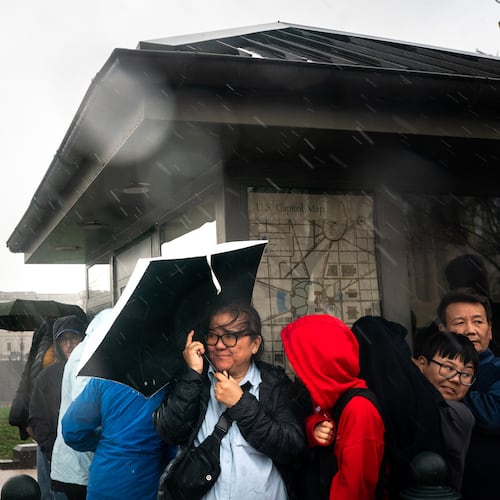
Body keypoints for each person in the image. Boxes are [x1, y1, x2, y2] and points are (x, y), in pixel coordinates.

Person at [154, 302, 305, 500]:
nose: (218, 344)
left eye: (230, 336)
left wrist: (241, 404)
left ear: (255, 344)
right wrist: (192, 375)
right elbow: (170, 431)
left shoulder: (273, 384)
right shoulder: (195, 380)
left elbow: (292, 447)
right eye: (212, 335)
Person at [280, 314, 385, 500]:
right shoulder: (326, 396)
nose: (290, 364)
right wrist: (312, 427)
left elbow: (355, 489)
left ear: (316, 361)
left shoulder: (359, 409)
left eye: (297, 356)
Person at [62, 376, 174, 500]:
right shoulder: (171, 382)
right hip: (146, 482)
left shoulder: (105, 376)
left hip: (104, 480)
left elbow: (72, 431)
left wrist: (108, 442)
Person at [436, 288, 500, 500]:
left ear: (490, 330)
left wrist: (443, 385)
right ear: (442, 331)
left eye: (478, 322)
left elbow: (493, 414)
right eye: (460, 323)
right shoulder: (433, 372)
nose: (470, 330)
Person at [50, 309, 111, 500]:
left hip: (75, 465)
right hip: (78, 470)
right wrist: (107, 441)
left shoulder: (85, 351)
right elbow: (84, 413)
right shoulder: (89, 355)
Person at [27, 315, 88, 500]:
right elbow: (37, 418)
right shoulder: (47, 376)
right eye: (64, 340)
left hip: (85, 455)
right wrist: (52, 449)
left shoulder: (92, 371)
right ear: (57, 343)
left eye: (74, 338)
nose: (69, 344)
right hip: (53, 454)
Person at [413, 330, 478, 491]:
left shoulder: (460, 415)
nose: (456, 379)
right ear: (421, 364)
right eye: (448, 368)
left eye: (466, 374)